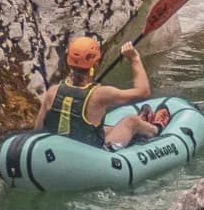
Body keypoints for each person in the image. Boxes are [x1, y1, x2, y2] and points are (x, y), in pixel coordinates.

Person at [35, 36, 167, 149]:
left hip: (58, 153)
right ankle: (155, 129)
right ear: (95, 65)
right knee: (132, 121)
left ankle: (141, 126)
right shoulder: (100, 94)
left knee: (106, 128)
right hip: (92, 155)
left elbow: (38, 129)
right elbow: (143, 91)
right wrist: (134, 59)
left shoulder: (52, 91)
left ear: (69, 63)